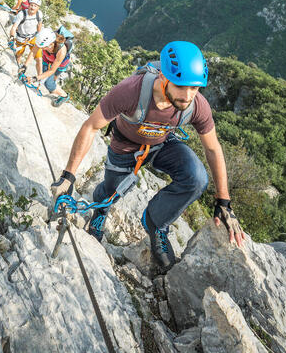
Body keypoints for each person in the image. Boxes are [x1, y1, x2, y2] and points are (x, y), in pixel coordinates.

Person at [50, 41, 244, 272]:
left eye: (195, 87)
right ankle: (101, 210)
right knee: (112, 191)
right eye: (181, 86)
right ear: (163, 76)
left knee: (196, 178)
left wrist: (224, 202)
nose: (188, 95)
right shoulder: (131, 91)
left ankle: (156, 222)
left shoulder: (196, 106)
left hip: (162, 143)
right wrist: (68, 176)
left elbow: (213, 149)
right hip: (125, 144)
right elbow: (91, 127)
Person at [27, 25, 73, 106]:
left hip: (60, 65)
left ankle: (64, 96)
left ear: (51, 44)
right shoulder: (43, 41)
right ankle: (52, 86)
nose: (41, 48)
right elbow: (33, 52)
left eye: (43, 47)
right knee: (46, 79)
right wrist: (24, 66)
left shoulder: (61, 51)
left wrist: (35, 78)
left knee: (49, 84)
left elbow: (52, 70)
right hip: (47, 59)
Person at [9, 0, 43, 69]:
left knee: (39, 58)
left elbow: (39, 25)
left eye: (35, 6)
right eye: (31, 5)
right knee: (18, 56)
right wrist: (12, 37)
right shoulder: (22, 14)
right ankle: (18, 68)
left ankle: (39, 78)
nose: (32, 7)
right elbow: (14, 27)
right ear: (29, 5)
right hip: (21, 38)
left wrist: (39, 36)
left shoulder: (39, 14)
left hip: (33, 37)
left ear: (38, 8)